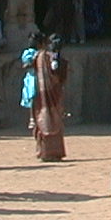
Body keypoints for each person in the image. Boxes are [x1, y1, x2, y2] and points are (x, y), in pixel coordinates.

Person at [32, 33, 68, 161]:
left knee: (49, 120)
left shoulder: (45, 57)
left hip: (48, 95)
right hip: (46, 95)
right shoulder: (44, 57)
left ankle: (51, 152)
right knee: (47, 120)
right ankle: (48, 152)